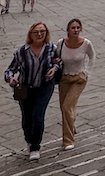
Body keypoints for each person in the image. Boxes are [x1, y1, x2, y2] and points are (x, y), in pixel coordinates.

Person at [4, 21, 62, 160]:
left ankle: (35, 146)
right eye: (36, 32)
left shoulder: (51, 48)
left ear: (46, 33)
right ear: (31, 34)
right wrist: (11, 79)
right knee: (27, 118)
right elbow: (10, 70)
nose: (39, 34)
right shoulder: (21, 52)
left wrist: (54, 69)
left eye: (42, 31)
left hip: (44, 87)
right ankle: (29, 140)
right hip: (25, 88)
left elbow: (59, 62)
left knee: (38, 116)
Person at [57, 18, 96, 150]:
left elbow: (92, 57)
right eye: (73, 28)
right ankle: (71, 126)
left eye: (78, 28)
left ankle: (68, 140)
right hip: (64, 78)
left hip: (79, 79)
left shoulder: (86, 43)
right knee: (65, 107)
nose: (76, 30)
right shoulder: (61, 43)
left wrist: (86, 72)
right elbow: (56, 59)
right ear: (68, 30)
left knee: (67, 106)